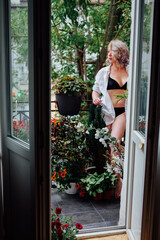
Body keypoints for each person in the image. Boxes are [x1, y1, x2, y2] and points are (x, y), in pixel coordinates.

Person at [92, 39, 129, 198]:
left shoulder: (130, 70)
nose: (108, 54)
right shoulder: (104, 72)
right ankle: (119, 174)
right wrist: (95, 99)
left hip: (123, 112)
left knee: (114, 144)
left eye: (111, 51)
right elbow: (95, 91)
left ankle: (119, 184)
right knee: (113, 149)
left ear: (119, 53)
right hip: (108, 113)